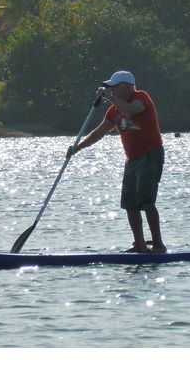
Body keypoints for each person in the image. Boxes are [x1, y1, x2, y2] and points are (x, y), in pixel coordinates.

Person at [67, 70, 166, 253]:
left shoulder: (140, 97)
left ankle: (158, 245)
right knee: (130, 204)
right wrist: (77, 148)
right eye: (109, 88)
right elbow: (98, 132)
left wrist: (110, 97)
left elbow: (132, 110)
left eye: (114, 87)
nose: (111, 90)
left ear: (127, 87)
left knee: (146, 201)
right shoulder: (114, 110)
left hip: (150, 154)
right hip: (132, 158)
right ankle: (140, 245)